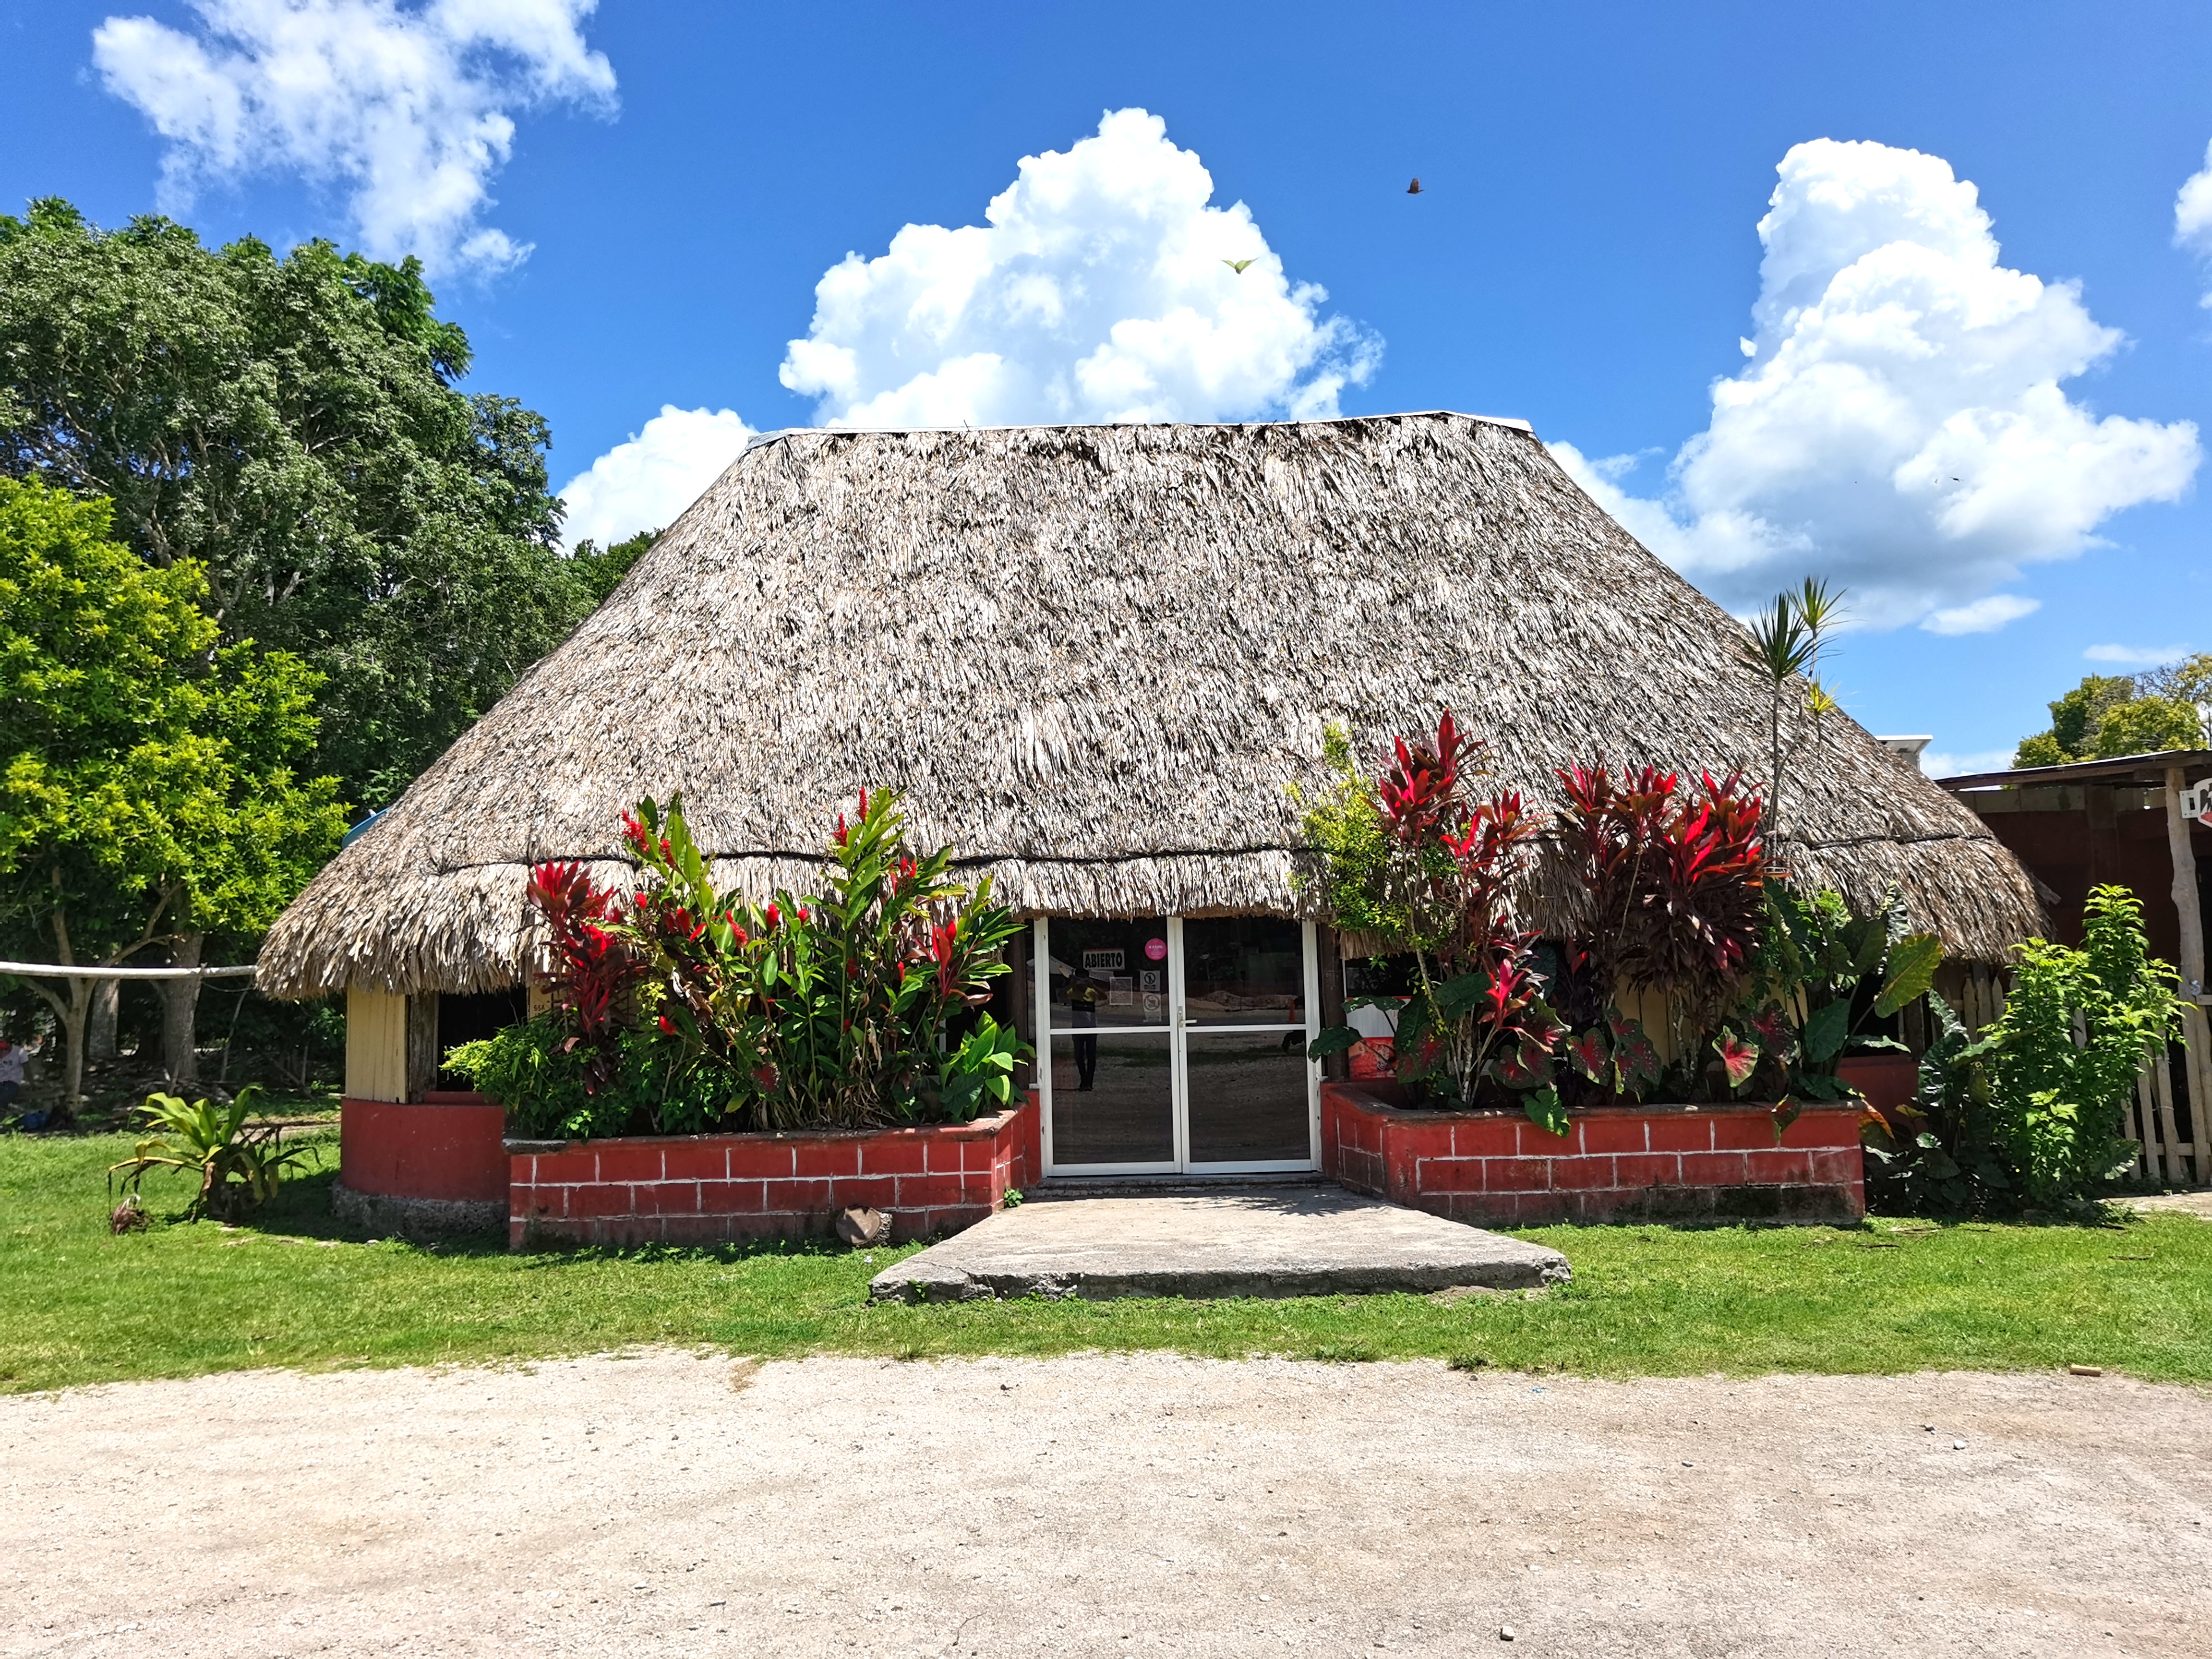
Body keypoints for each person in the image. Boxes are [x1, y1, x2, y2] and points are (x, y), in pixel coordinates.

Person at [1066, 968, 1103, 1091]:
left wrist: (1093, 986)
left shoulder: (1091, 992)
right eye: (1080, 979)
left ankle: (1089, 1083)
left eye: (1084, 979)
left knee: (1091, 1056)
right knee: (1079, 1056)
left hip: (1091, 1028)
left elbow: (1104, 997)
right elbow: (1060, 995)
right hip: (1077, 1028)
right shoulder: (1073, 992)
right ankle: (1084, 1080)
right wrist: (1072, 984)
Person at [0, 1033, 41, 1117]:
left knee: (3, 1097)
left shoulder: (19, 1052)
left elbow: (27, 1069)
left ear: (8, 1047)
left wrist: (32, 1084)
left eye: (2, 1050)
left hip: (12, 1082)